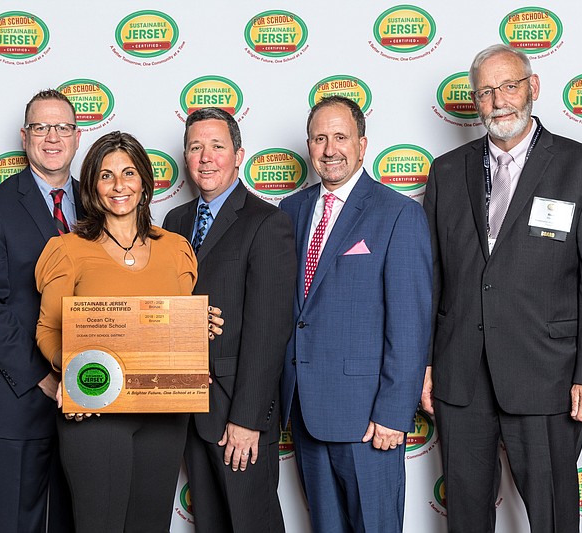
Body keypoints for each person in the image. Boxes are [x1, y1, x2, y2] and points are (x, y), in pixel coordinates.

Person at [422, 44, 582, 532]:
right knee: (465, 516)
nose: (499, 100)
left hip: (546, 376)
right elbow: (433, 278)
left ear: (533, 89)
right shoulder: (445, 172)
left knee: (552, 515)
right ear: (475, 102)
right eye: (486, 91)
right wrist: (425, 365)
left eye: (509, 86)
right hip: (460, 378)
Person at [34, 131, 222, 533]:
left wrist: (200, 328)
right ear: (91, 187)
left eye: (128, 173)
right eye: (105, 175)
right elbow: (48, 330)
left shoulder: (176, 249)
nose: (119, 186)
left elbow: (176, 325)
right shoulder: (67, 249)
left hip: (164, 415)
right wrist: (72, 370)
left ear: (145, 182)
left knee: (150, 525)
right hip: (96, 411)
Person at [279, 95, 431, 532]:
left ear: (362, 145)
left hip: (368, 418)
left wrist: (393, 413)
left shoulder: (398, 213)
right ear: (308, 146)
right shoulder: (291, 210)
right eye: (320, 138)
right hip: (306, 409)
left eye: (340, 137)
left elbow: (409, 323)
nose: (330, 149)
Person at [163, 107, 297, 532]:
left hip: (236, 411)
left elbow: (269, 330)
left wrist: (247, 419)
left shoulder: (266, 222)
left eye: (217, 146)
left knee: (250, 521)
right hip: (183, 405)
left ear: (239, 155)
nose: (206, 157)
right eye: (196, 147)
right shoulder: (174, 223)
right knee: (211, 524)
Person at [0, 89, 81, 532]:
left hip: (91, 400)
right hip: (20, 400)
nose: (52, 138)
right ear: (24, 135)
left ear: (77, 135)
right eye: (41, 127)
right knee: (14, 523)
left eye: (62, 127)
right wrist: (42, 377)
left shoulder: (99, 202)